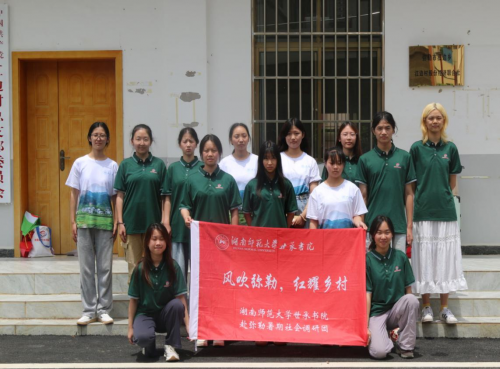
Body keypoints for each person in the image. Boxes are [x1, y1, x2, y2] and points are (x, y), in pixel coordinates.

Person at [180, 134, 241, 348]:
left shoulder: (228, 180)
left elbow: (234, 210)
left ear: (219, 153)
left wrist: (233, 237)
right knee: (201, 288)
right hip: (200, 244)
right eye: (206, 150)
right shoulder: (192, 179)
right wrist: (186, 217)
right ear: (201, 152)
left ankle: (220, 331)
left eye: (214, 150)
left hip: (223, 245)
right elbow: (184, 205)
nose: (209, 154)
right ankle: (204, 331)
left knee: (221, 287)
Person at [410, 103, 468, 324]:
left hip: (445, 212)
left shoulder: (450, 149)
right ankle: (426, 306)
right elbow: (411, 186)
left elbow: (453, 185)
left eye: (438, 118)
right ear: (424, 122)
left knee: (445, 259)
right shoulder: (416, 148)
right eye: (430, 118)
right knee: (425, 258)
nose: (434, 121)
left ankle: (444, 307)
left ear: (444, 121)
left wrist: (456, 211)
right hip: (422, 212)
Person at [66, 122, 118, 326]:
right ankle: (89, 310)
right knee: (86, 268)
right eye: (95, 135)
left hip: (105, 223)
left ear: (107, 139)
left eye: (102, 135)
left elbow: (115, 196)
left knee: (105, 267)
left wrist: (116, 220)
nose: (98, 138)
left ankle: (104, 309)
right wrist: (73, 220)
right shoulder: (80, 163)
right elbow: (74, 193)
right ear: (89, 138)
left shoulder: (113, 165)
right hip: (84, 222)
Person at [355, 112, 416, 252]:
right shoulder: (365, 159)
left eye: (387, 128)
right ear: (373, 131)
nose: (383, 132)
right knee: (371, 268)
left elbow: (409, 194)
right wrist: (362, 225)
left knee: (398, 268)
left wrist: (409, 227)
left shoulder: (405, 157)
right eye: (379, 128)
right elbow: (363, 196)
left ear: (393, 129)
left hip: (398, 225)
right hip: (372, 226)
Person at [127, 223, 189, 362]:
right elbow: (133, 300)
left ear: (167, 242)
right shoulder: (140, 268)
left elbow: (181, 297)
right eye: (154, 239)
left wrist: (189, 325)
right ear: (147, 241)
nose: (158, 243)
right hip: (145, 315)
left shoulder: (173, 266)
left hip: (164, 316)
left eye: (162, 239)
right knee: (143, 340)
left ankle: (171, 346)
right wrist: (130, 328)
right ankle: (148, 345)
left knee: (177, 305)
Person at [114, 124, 169, 280]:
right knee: (134, 266)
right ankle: (136, 302)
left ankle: (152, 302)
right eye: (138, 139)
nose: (142, 142)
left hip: (153, 226)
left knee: (154, 264)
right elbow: (120, 195)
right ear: (132, 141)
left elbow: (165, 196)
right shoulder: (125, 165)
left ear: (151, 141)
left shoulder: (158, 165)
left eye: (145, 139)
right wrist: (120, 222)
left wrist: (164, 222)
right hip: (131, 224)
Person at [366, 215, 419, 359]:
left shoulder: (400, 257)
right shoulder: (367, 260)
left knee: (411, 300)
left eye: (387, 232)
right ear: (372, 235)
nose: (383, 236)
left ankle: (405, 346)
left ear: (392, 234)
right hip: (377, 313)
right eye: (379, 232)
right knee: (379, 352)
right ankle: (388, 338)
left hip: (396, 310)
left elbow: (408, 290)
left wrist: (409, 313)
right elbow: (367, 295)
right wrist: (365, 327)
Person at [164, 128, 202, 281]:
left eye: (191, 141)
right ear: (179, 144)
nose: (188, 145)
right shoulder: (173, 168)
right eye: (184, 141)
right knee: (178, 270)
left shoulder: (202, 168)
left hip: (197, 226)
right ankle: (181, 304)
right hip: (177, 226)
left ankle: (196, 304)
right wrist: (166, 222)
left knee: (198, 272)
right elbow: (167, 197)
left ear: (196, 144)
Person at [308, 147, 367, 230]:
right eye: (332, 163)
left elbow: (357, 215)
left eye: (339, 163)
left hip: (347, 239)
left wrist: (358, 222)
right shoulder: (317, 192)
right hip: (325, 239)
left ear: (344, 164)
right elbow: (313, 221)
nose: (335, 167)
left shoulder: (353, 189)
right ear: (325, 163)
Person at [243, 141, 297, 228]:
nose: (269, 163)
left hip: (279, 236)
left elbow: (291, 212)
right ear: (261, 160)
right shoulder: (251, 185)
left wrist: (284, 229)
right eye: (266, 158)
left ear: (278, 160)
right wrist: (254, 229)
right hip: (259, 237)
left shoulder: (286, 184)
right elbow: (246, 213)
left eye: (273, 158)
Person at [278, 118, 321, 228]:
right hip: (282, 206)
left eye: (296, 133)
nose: (293, 137)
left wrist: (303, 216)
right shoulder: (277, 159)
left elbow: (314, 193)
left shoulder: (310, 161)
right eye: (289, 134)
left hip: (305, 208)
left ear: (303, 135)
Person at [219, 123, 258, 225]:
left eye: (244, 136)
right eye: (236, 136)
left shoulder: (257, 160)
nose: (241, 140)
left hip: (253, 213)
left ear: (248, 138)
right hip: (231, 214)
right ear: (231, 140)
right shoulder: (224, 163)